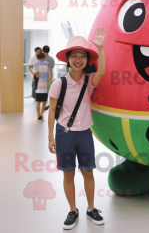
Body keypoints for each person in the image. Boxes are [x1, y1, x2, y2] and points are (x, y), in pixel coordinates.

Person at [48, 27, 106, 230]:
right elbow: (52, 111)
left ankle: (91, 208)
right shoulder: (59, 83)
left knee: (88, 172)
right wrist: (50, 138)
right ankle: (73, 210)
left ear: (87, 60)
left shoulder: (89, 82)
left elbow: (102, 72)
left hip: (85, 134)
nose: (78, 59)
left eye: (82, 56)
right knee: (68, 173)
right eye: (74, 56)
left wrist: (100, 47)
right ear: (68, 59)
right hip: (64, 134)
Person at [34, 52, 52, 121]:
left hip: (38, 85)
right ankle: (41, 114)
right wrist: (50, 81)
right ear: (43, 58)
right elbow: (48, 74)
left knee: (38, 102)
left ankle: (38, 115)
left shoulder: (36, 64)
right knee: (45, 101)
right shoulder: (46, 63)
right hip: (44, 85)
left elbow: (36, 74)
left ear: (38, 58)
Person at [43, 45, 55, 110]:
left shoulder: (41, 59)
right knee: (49, 93)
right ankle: (49, 105)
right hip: (49, 78)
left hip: (42, 78)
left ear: (43, 50)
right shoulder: (52, 59)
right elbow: (52, 68)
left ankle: (43, 106)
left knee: (42, 93)